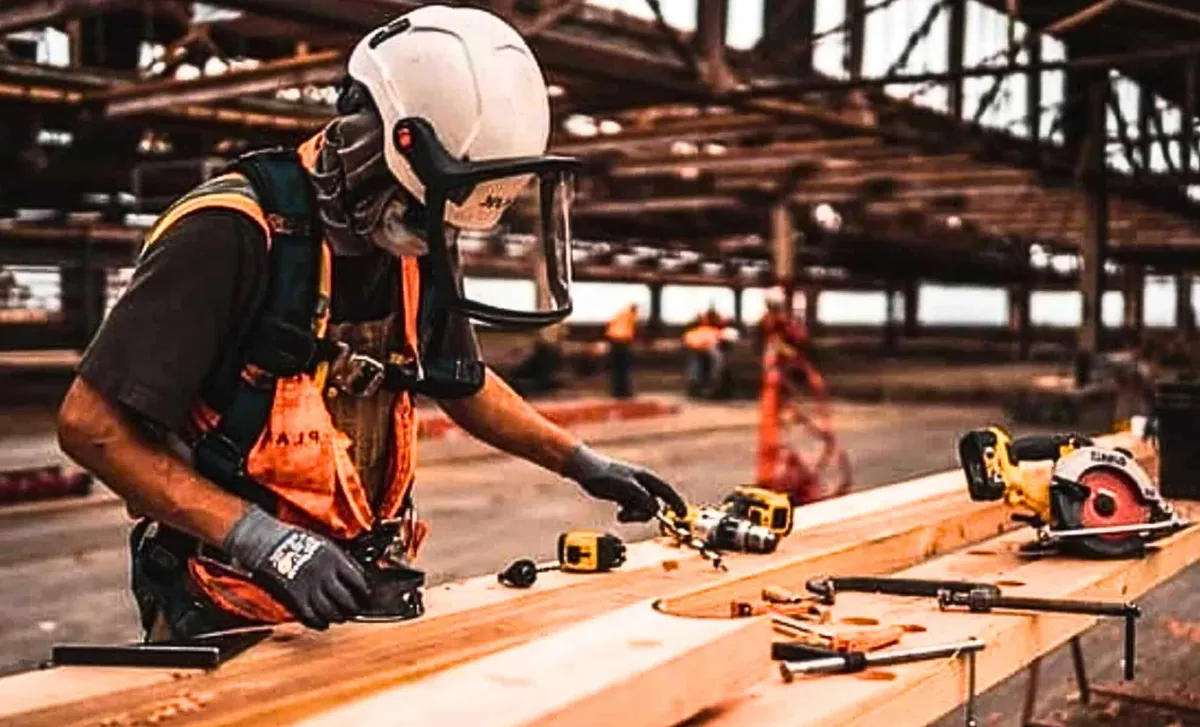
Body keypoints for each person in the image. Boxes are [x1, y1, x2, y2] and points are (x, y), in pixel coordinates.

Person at [55, 6, 687, 641]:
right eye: (421, 207)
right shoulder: (232, 232)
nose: (431, 230)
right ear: (372, 140)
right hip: (226, 599)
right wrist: (260, 539)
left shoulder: (418, 234)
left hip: (364, 588)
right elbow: (90, 426)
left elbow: (460, 381)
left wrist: (580, 461)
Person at [604, 303, 638, 399]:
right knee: (623, 369)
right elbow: (630, 330)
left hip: (614, 341)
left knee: (617, 369)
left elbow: (610, 328)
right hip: (622, 343)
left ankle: (617, 392)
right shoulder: (630, 315)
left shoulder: (620, 314)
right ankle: (623, 392)